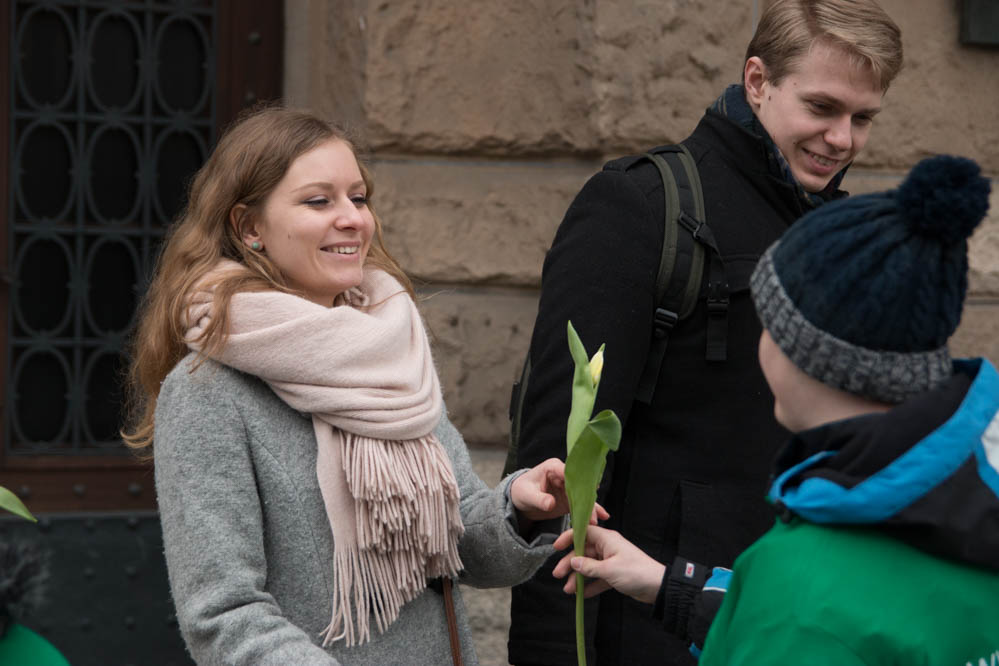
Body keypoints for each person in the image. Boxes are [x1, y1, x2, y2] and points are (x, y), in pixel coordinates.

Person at [508, 1, 903, 663]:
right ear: (756, 81)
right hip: (645, 627)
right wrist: (550, 650)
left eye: (861, 118)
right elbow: (560, 456)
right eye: (820, 108)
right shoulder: (641, 205)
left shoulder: (846, 238)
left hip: (792, 623)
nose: (840, 138)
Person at [121, 106, 587, 665]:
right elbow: (223, 614)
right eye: (319, 201)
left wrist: (520, 506)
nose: (352, 219)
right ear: (249, 228)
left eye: (358, 198)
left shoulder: (392, 353)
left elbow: (459, 546)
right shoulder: (205, 393)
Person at [553, 154, 999, 664]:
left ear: (805, 356)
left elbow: (806, 622)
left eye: (767, 322)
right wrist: (673, 587)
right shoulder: (968, 498)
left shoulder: (799, 592)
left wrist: (767, 602)